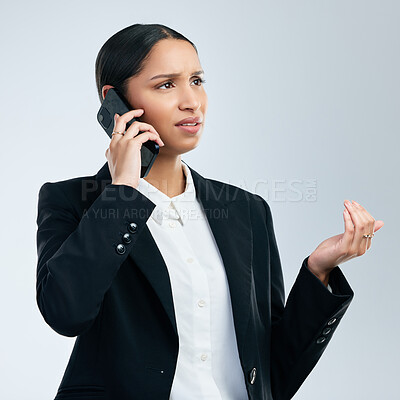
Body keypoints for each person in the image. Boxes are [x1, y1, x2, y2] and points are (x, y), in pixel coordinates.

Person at [35, 23, 384, 400]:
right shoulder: (74, 201)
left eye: (197, 80)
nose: (192, 101)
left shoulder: (245, 210)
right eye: (166, 84)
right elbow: (66, 312)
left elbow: (272, 374)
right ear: (114, 100)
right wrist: (121, 193)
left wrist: (318, 271)